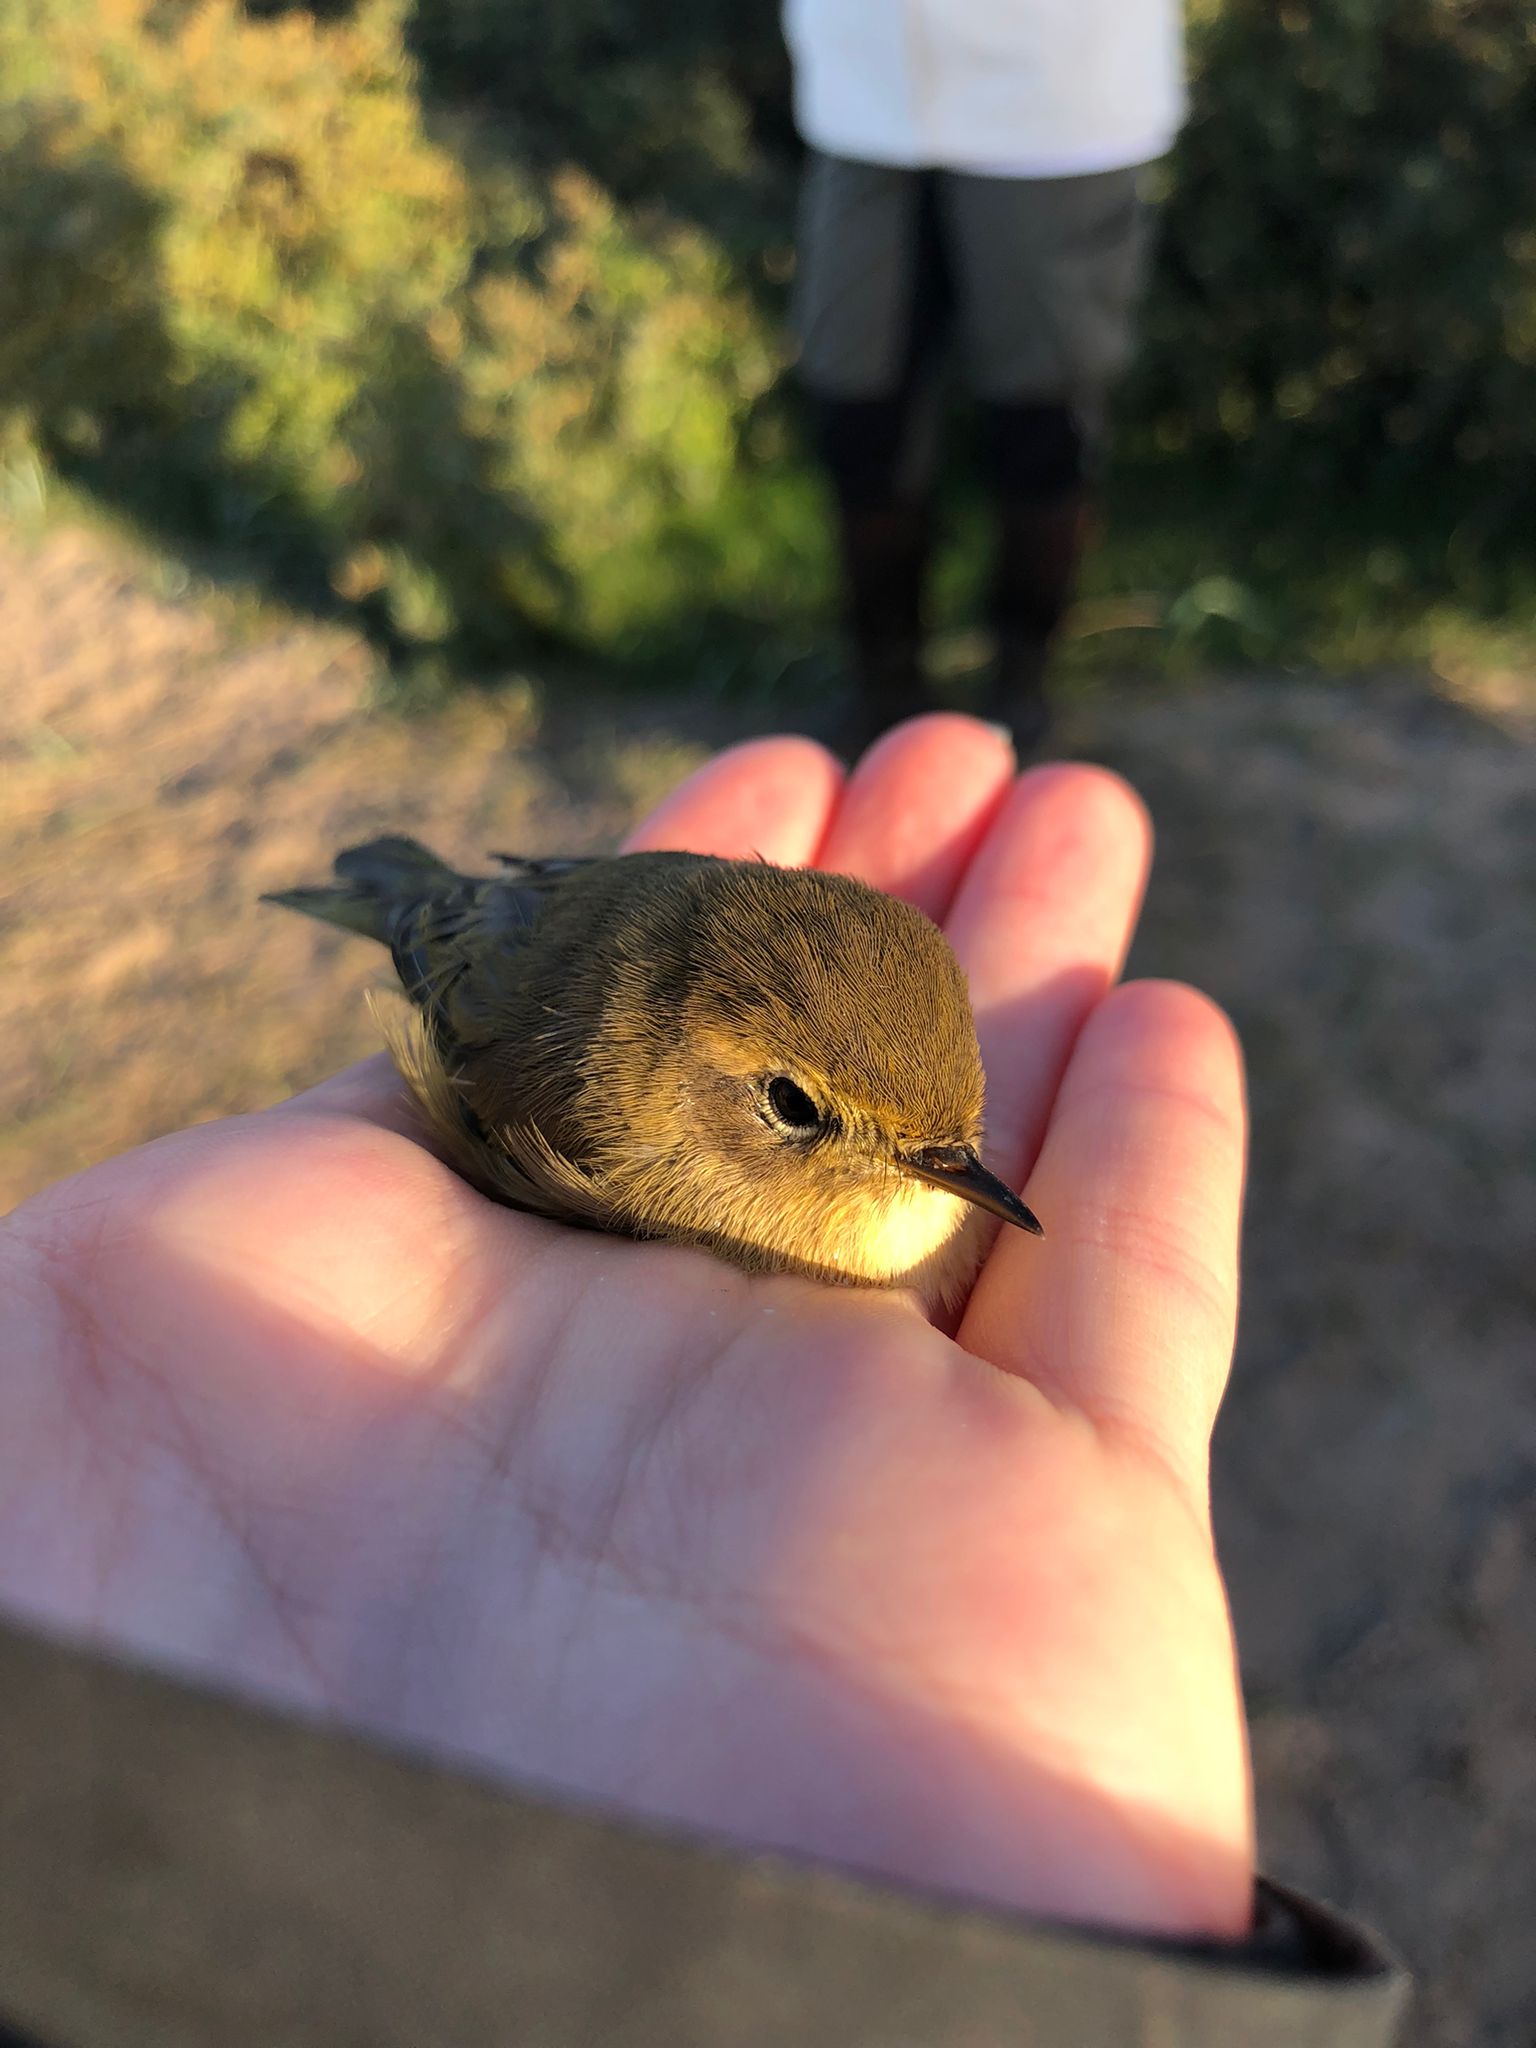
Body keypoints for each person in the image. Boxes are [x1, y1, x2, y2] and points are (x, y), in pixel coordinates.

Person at [0, 718, 1406, 2043]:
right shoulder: (581, 1098)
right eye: (799, 1110)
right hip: (498, 946)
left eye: (951, 1135)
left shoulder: (898, 1145)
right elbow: (467, 954)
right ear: (714, 1087)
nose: (945, 1180)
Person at [785, 0, 1180, 751]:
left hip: (1053, 97)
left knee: (1042, 419)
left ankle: (1021, 684)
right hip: (863, 89)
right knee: (856, 408)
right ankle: (887, 688)